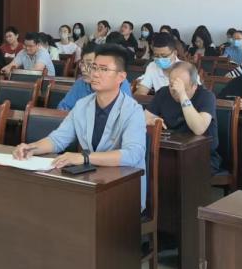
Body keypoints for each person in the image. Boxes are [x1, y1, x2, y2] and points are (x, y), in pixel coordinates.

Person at [14, 45, 147, 210]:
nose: (95, 74)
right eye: (94, 67)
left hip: (124, 190)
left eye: (104, 69)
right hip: (91, 181)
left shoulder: (133, 110)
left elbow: (133, 154)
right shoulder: (82, 105)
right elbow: (58, 139)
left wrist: (84, 158)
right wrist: (32, 148)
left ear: (121, 77)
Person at [147, 62, 221, 173]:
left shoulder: (206, 97)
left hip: (202, 156)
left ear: (194, 86)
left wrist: (182, 95)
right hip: (170, 151)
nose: (175, 91)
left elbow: (199, 129)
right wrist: (152, 121)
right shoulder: (163, 93)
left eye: (182, 87)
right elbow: (144, 119)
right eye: (172, 85)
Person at [58, 43, 132, 111]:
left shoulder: (120, 83)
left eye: (90, 65)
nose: (83, 69)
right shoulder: (80, 83)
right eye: (82, 63)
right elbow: (63, 107)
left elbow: (123, 115)